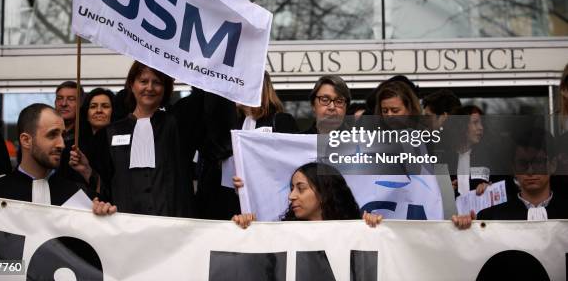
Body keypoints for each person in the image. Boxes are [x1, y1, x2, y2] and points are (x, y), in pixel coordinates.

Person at [0, 103, 115, 215]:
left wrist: (101, 217)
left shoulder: (81, 198)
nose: (62, 144)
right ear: (26, 140)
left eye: (62, 135)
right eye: (52, 135)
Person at [94, 61, 194, 217]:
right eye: (143, 81)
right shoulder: (109, 133)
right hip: (127, 226)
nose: (149, 88)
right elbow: (104, 185)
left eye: (157, 82)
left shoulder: (179, 125)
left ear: (165, 88)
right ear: (132, 85)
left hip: (173, 226)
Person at [198, 71, 298, 219]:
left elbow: (291, 166)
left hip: (270, 206)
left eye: (239, 84)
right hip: (233, 207)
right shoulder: (231, 124)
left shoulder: (281, 120)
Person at [452, 128, 568, 228]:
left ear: (553, 165)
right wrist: (468, 228)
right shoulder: (490, 218)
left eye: (538, 163)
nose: (530, 171)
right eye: (523, 163)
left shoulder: (565, 212)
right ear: (513, 168)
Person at [232, 162, 382, 228]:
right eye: (291, 189)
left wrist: (374, 228)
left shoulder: (357, 231)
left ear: (324, 193)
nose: (291, 196)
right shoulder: (281, 234)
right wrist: (245, 228)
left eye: (301, 188)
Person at [54, 81, 88, 185]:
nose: (64, 104)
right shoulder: (45, 134)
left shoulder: (89, 135)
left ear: (81, 103)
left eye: (71, 99)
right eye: (60, 98)